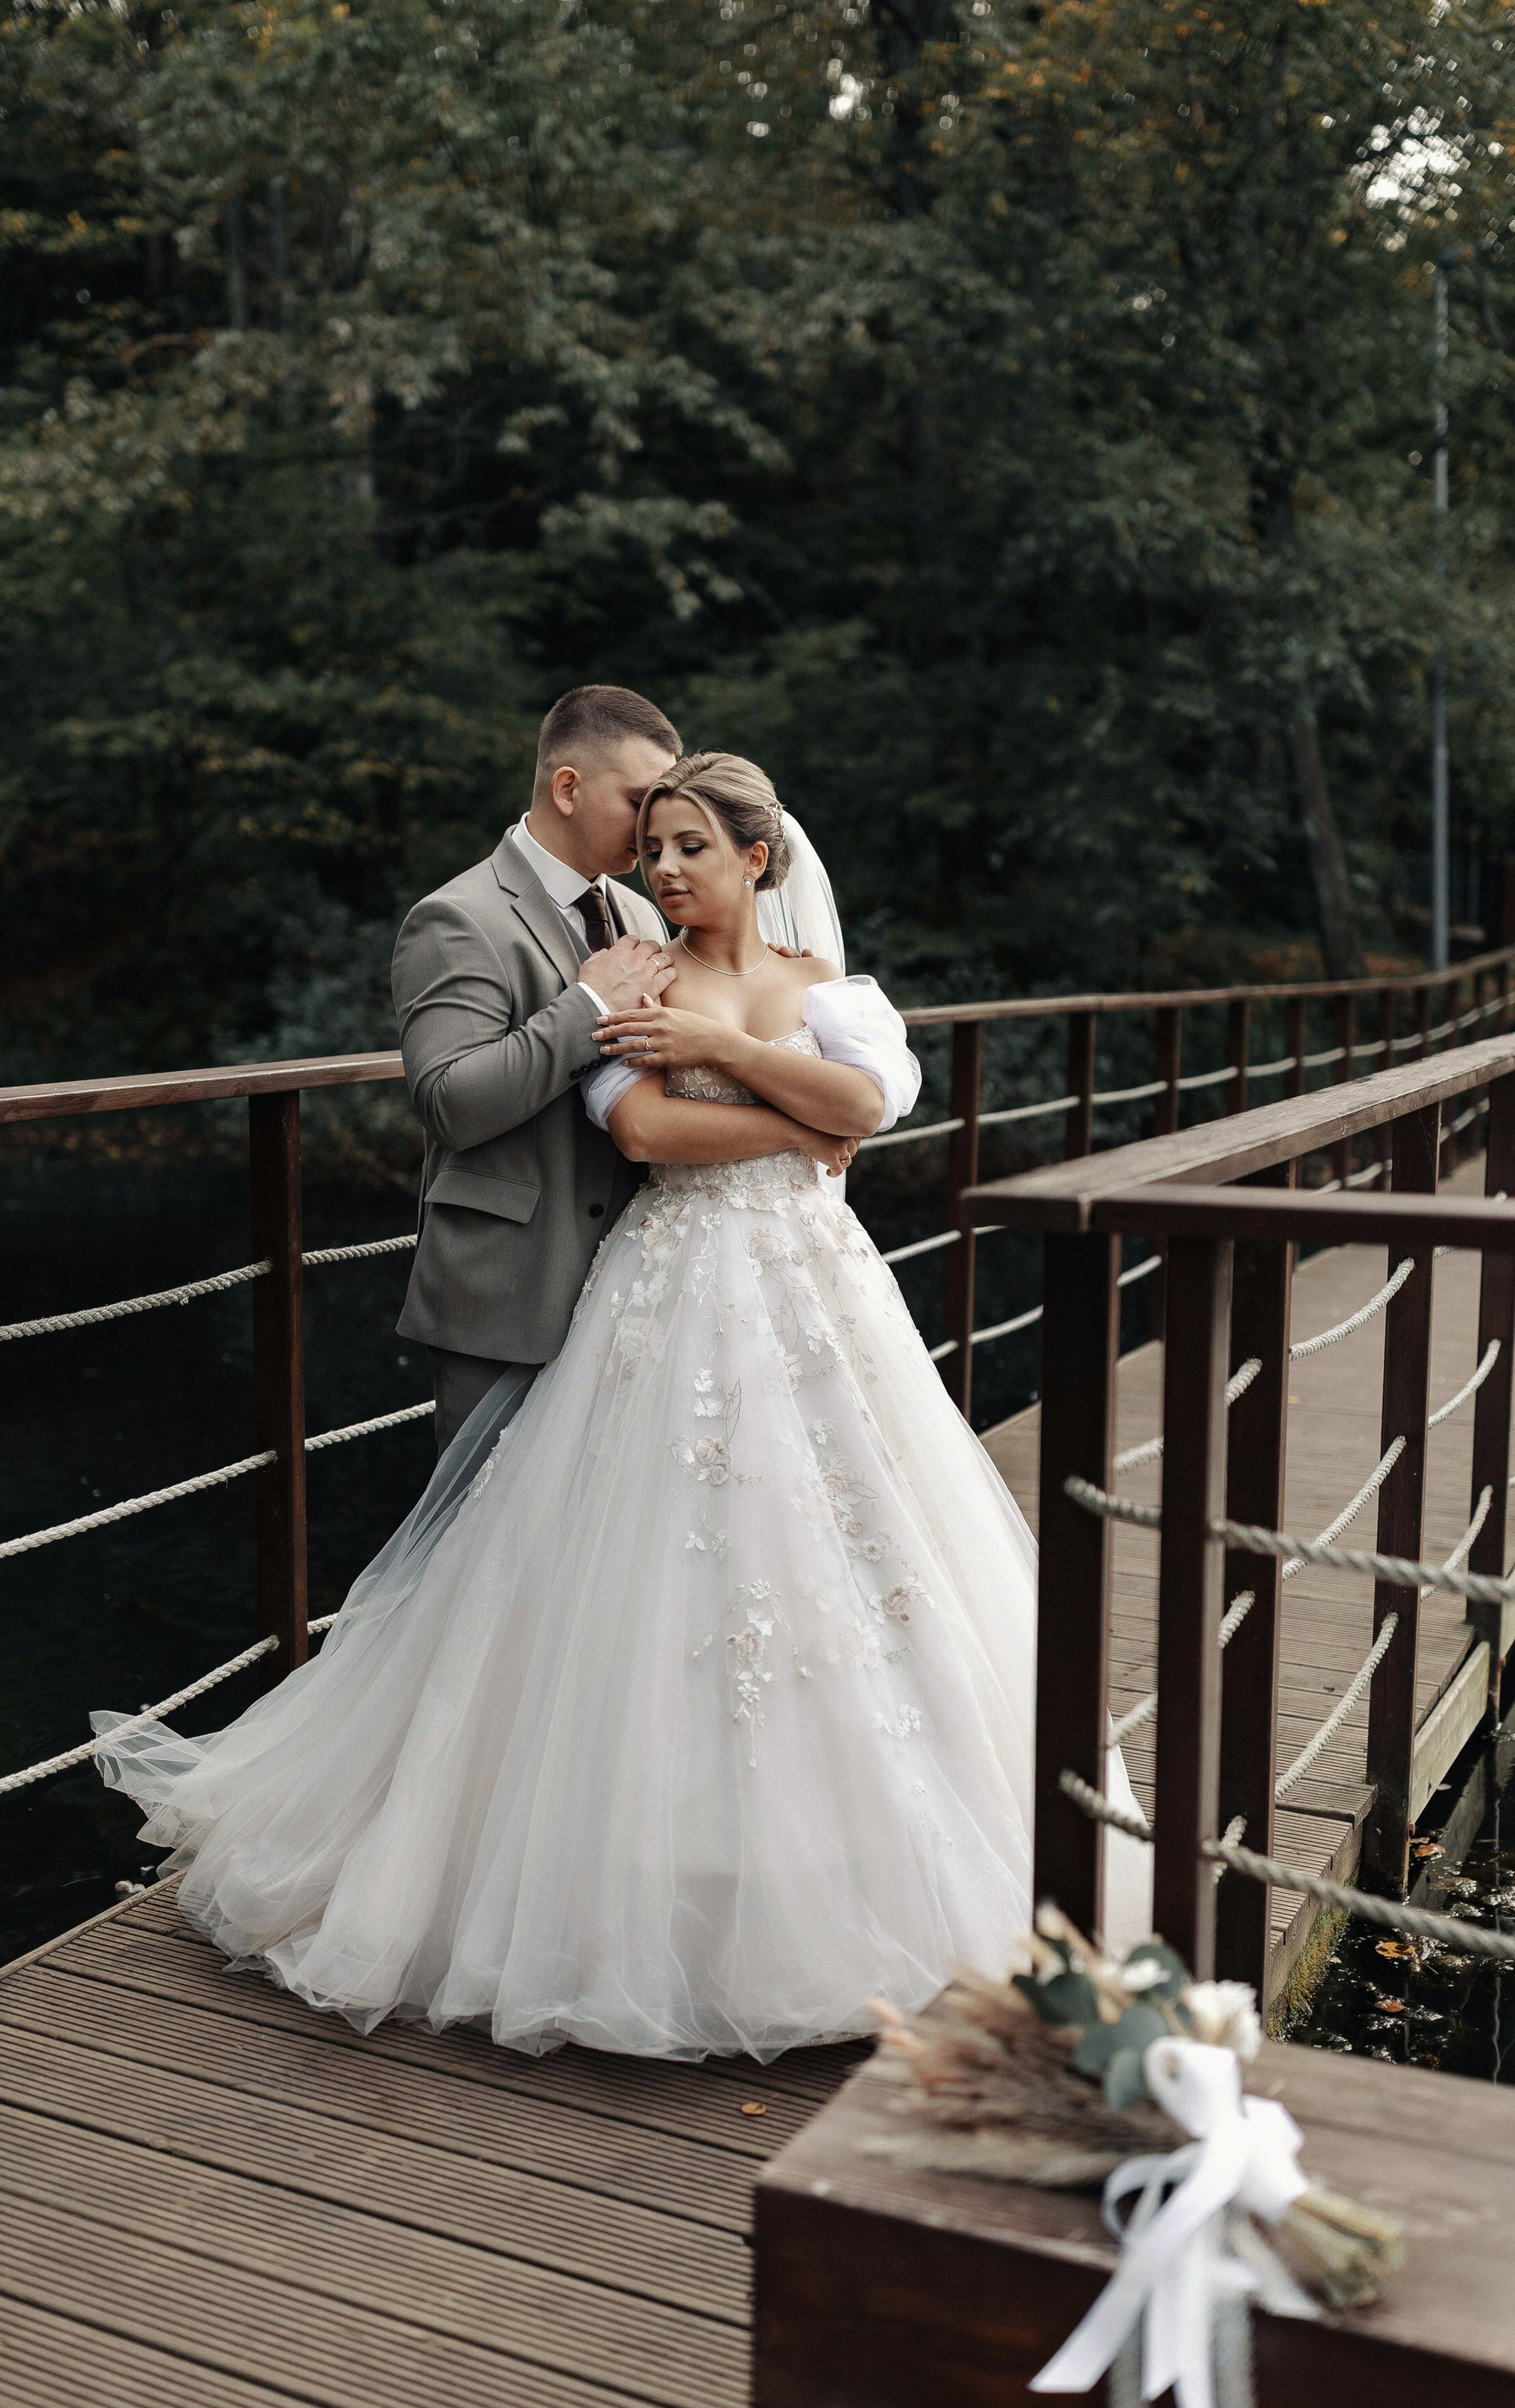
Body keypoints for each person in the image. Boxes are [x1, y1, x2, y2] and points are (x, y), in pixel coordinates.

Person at [94, 748, 1151, 2061]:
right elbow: (648, 1133)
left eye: (692, 846)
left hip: (818, 1300)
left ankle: (844, 1880)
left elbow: (871, 1102)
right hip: (670, 1288)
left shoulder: (831, 988)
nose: (664, 869)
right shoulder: (633, 976)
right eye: (654, 847)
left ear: (759, 858)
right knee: (646, 1577)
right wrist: (796, 1120)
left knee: (859, 1560)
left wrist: (727, 1052)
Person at [389, 682, 855, 1452]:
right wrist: (587, 1005)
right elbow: (451, 1104)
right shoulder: (457, 918)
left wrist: (769, 981)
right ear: (568, 788)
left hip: (645, 1291)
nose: (651, 834)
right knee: (482, 1519)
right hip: (513, 1290)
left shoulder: (643, 914)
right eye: (638, 802)